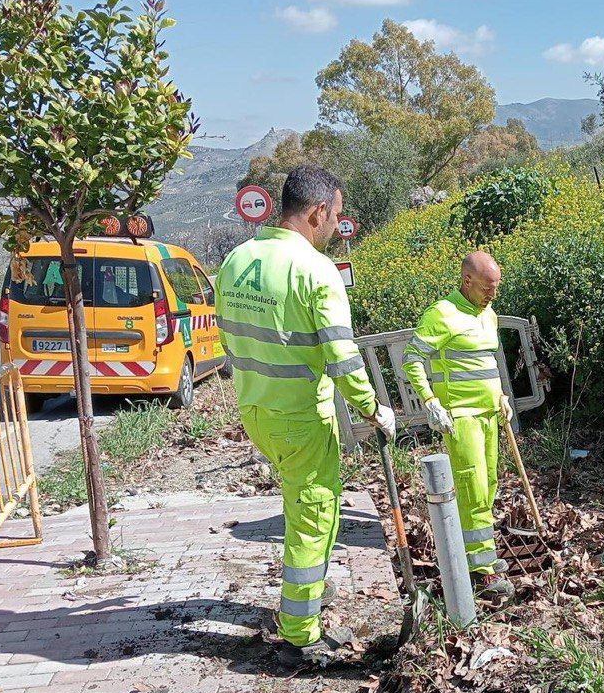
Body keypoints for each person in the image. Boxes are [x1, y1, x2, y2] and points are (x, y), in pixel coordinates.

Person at [215, 165, 395, 657]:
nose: (337, 225)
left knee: (309, 506)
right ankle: (300, 631)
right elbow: (343, 356)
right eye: (336, 215)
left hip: (256, 409)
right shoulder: (315, 270)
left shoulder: (236, 260)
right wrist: (373, 408)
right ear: (317, 212)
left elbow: (228, 338)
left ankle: (311, 590)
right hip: (299, 417)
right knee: (313, 514)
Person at [401, 252, 515, 601]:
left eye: (496, 288)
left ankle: (481, 552)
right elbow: (412, 360)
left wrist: (501, 396)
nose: (492, 295)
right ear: (467, 281)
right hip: (461, 416)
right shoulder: (442, 314)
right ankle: (481, 571)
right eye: (486, 288)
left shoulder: (488, 314)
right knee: (472, 486)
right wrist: (430, 401)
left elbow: (486, 362)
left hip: (489, 413)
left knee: (489, 483)